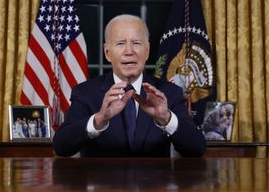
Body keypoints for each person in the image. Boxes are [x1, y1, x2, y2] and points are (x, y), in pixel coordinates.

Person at [52, 14, 206, 157]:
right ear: (107, 53)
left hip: (154, 185)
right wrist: (99, 120)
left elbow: (197, 148)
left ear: (147, 51)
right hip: (104, 185)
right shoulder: (85, 92)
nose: (129, 51)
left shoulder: (169, 92)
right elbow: (61, 147)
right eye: (120, 43)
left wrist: (165, 118)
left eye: (136, 43)